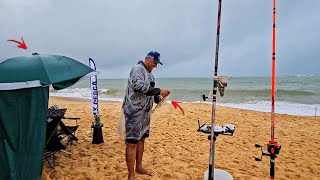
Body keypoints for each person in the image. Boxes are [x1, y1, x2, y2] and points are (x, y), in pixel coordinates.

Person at [122, 51, 170, 180]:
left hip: (145, 113)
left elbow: (150, 94)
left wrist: (158, 97)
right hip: (134, 112)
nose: (155, 65)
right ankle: (131, 175)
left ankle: (139, 167)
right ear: (147, 59)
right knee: (132, 143)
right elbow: (138, 86)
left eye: (157, 63)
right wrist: (159, 90)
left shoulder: (151, 76)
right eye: (154, 62)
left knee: (142, 139)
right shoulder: (137, 69)